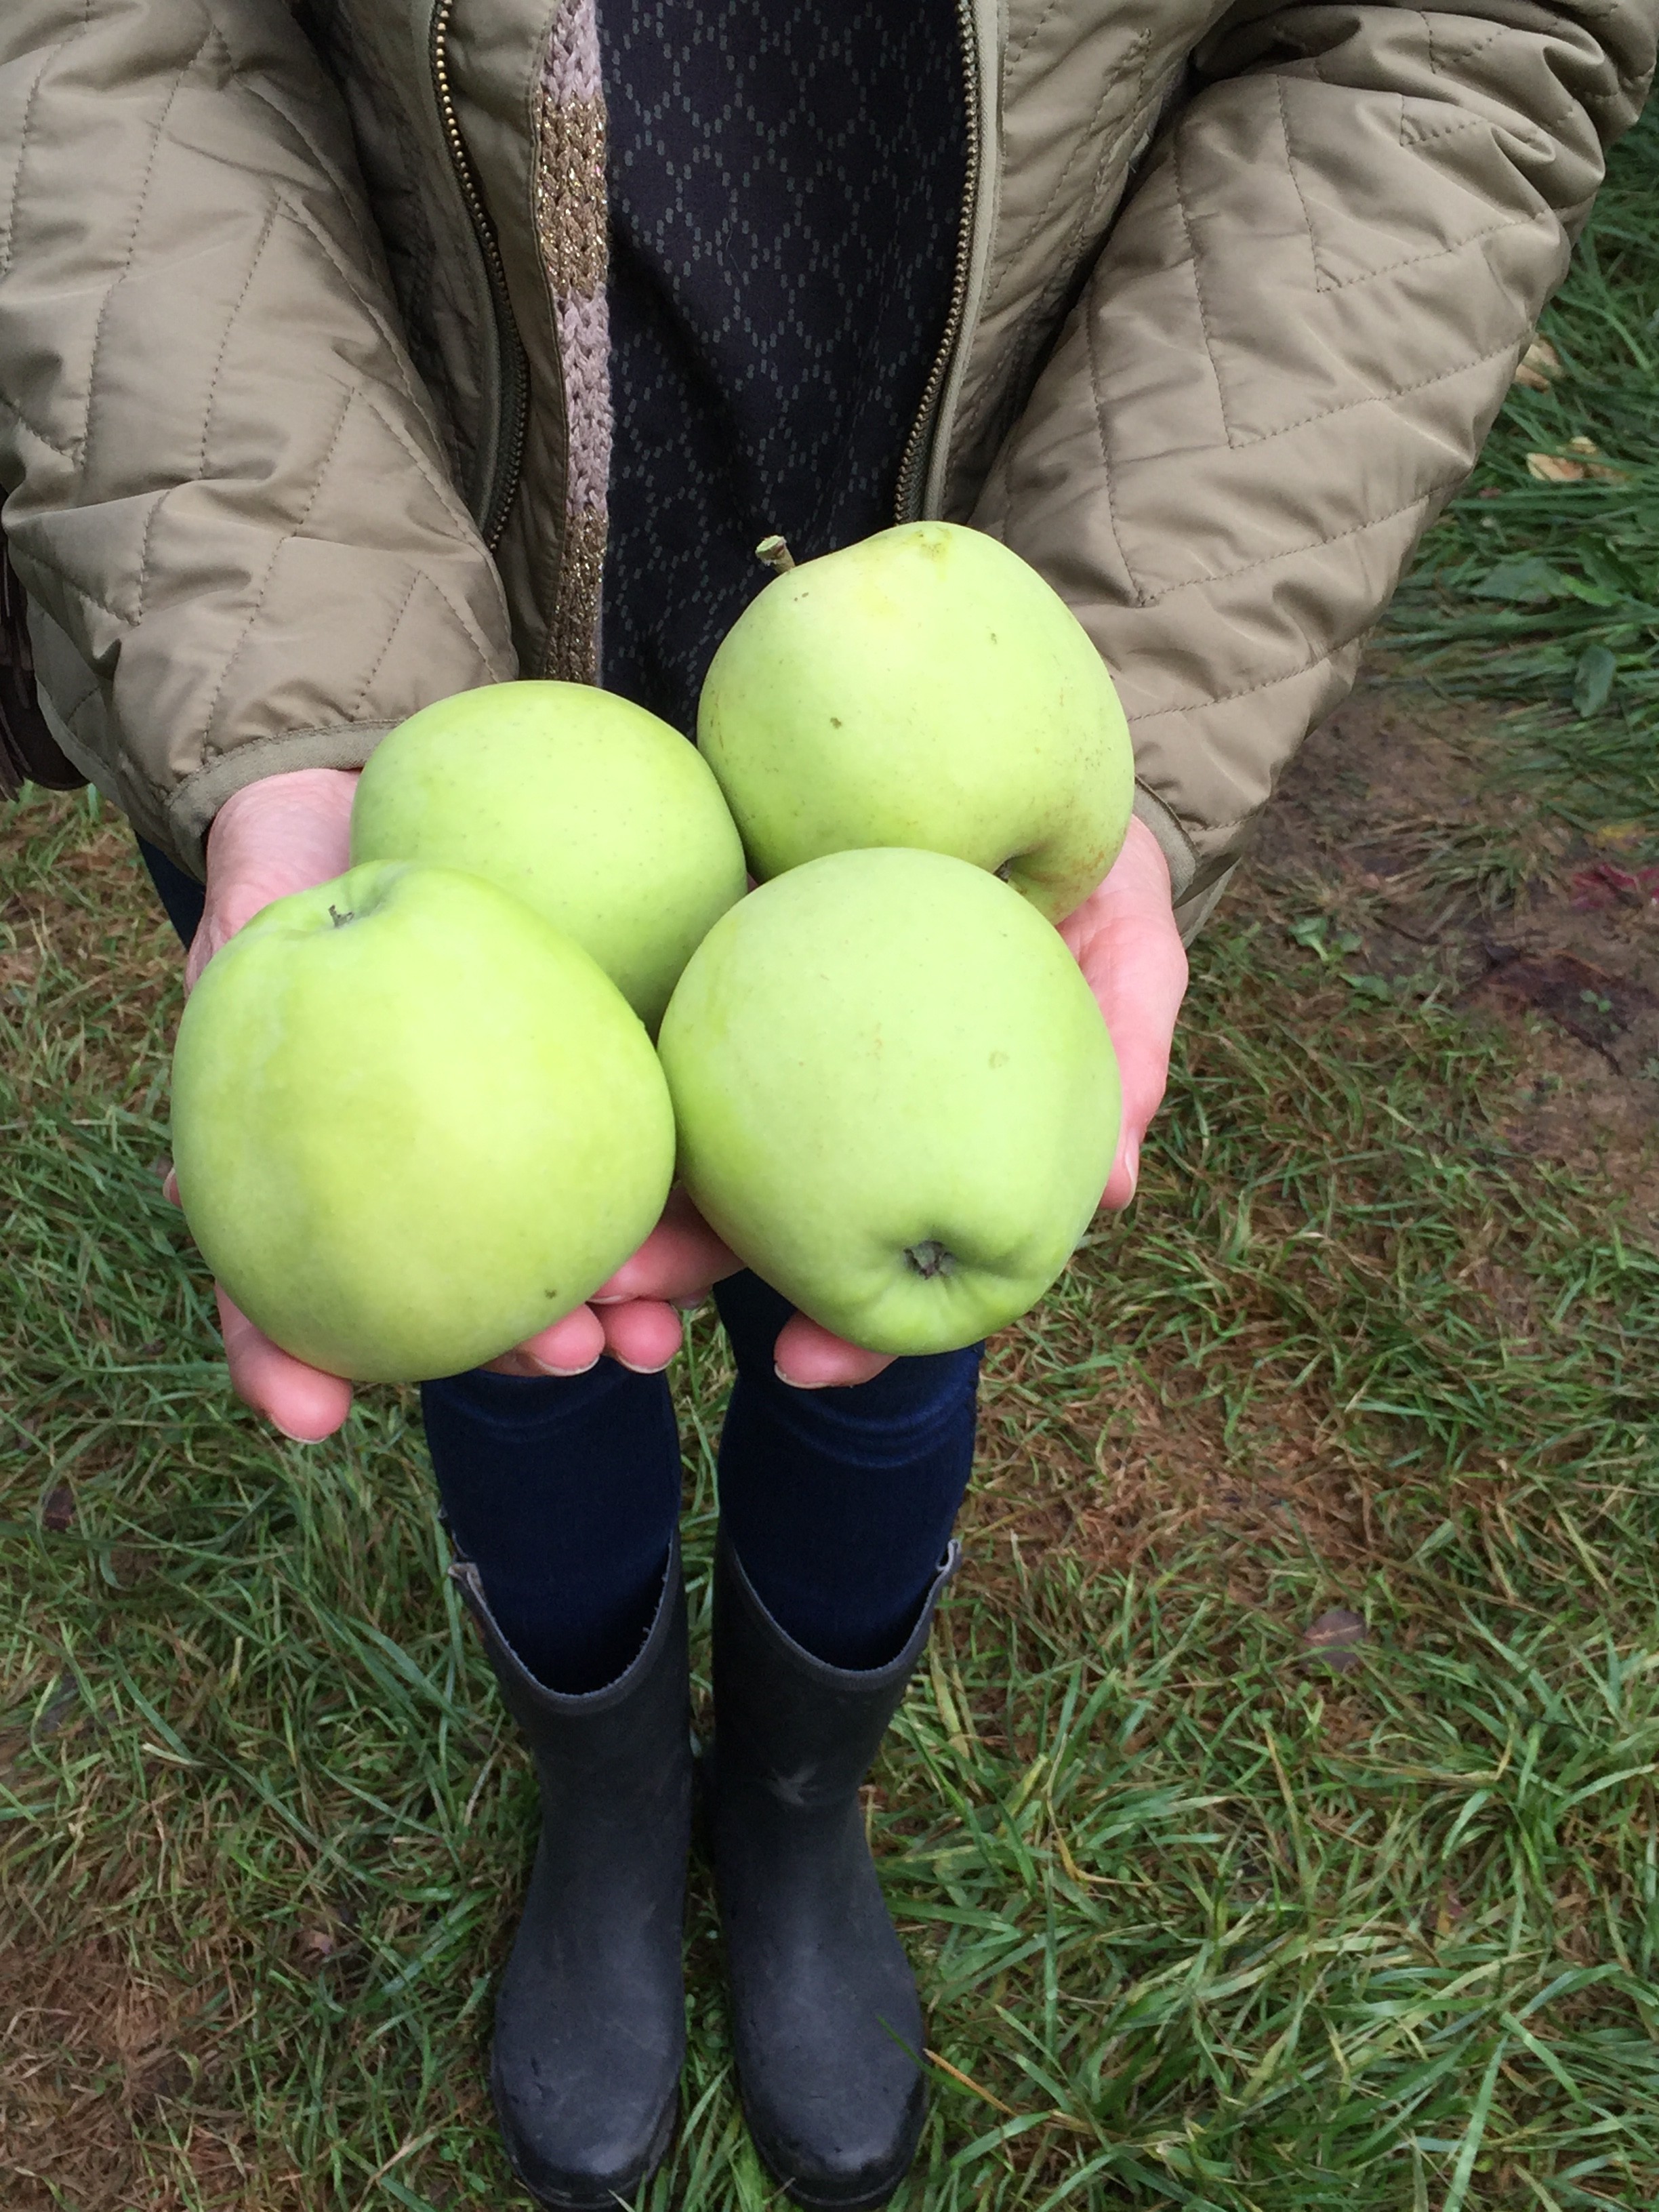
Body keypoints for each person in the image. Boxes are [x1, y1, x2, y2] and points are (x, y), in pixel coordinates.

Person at [2, 2, 1652, 2205]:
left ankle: (792, 1807)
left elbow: (1460, 31)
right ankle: (603, 1806)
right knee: (507, 1284)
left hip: (957, 585)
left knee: (880, 1299)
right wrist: (292, 685)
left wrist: (1124, 684)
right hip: (410, 574)